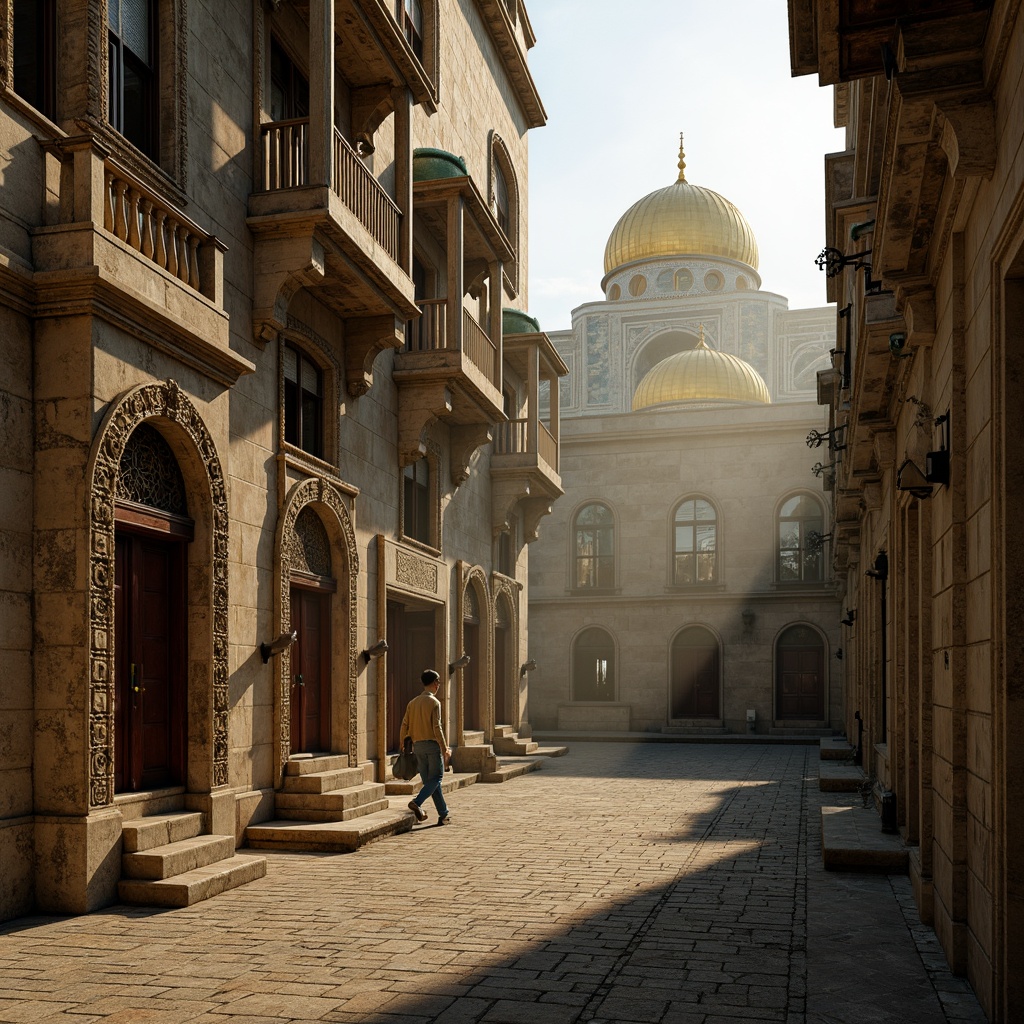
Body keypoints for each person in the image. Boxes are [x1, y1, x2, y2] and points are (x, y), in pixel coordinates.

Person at [399, 668, 453, 825]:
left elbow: (404, 724)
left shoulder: (412, 703)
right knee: (436, 778)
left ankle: (444, 814)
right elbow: (437, 728)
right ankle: (417, 802)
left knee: (432, 783)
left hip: (418, 748)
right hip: (432, 746)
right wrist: (445, 749)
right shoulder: (434, 702)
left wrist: (402, 743)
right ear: (435, 683)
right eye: (439, 682)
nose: (439, 685)